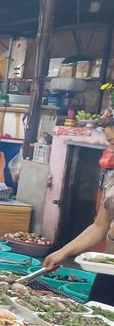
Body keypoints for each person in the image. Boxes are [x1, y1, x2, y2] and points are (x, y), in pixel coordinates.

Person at [44, 124, 114, 304]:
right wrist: (63, 252)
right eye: (110, 143)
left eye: (113, 143)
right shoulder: (112, 180)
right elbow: (100, 226)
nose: (110, 150)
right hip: (109, 271)